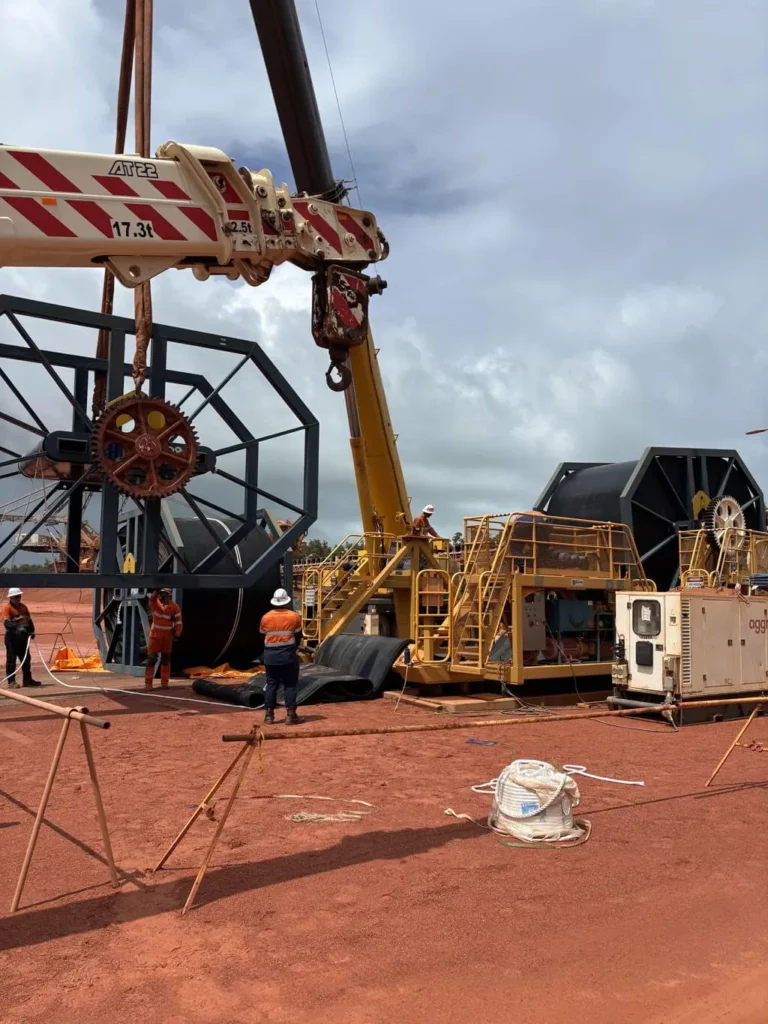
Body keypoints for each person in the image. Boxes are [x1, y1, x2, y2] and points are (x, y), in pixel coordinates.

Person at [260, 587, 303, 725]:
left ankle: (269, 715)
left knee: (271, 684)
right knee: (290, 685)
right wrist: (293, 649)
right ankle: (291, 715)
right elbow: (298, 636)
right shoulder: (293, 616)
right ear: (286, 602)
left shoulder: (265, 617)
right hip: (288, 656)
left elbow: (261, 637)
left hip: (270, 657)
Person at [144, 587, 182, 690]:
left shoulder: (174, 607)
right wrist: (155, 591)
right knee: (151, 658)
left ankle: (164, 683)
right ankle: (148, 683)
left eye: (163, 594)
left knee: (165, 659)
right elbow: (151, 599)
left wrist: (177, 634)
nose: (161, 596)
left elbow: (178, 622)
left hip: (167, 637)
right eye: (160, 594)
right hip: (155, 636)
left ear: (168, 595)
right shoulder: (155, 604)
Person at [3, 587, 41, 688]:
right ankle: (11, 681)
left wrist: (31, 631)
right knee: (11, 660)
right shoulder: (7, 608)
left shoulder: (23, 607)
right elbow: (6, 623)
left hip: (23, 638)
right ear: (11, 598)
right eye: (16, 597)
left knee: (26, 659)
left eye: (19, 596)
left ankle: (27, 680)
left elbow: (29, 620)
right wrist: (16, 627)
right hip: (12, 638)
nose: (18, 598)